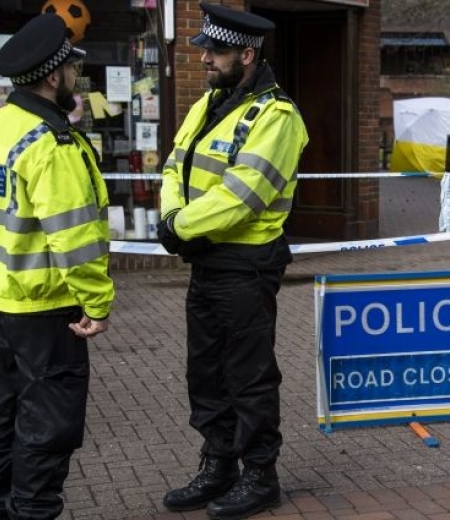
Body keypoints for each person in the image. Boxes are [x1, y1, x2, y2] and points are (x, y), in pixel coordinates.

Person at [0, 14, 114, 520]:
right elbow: (75, 239)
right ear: (53, 75)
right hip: (46, 309)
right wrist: (97, 303)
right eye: (71, 70)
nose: (75, 78)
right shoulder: (50, 144)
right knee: (47, 425)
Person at [157, 2, 308, 518]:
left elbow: (244, 196)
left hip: (246, 265)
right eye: (205, 49)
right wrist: (174, 217)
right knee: (206, 372)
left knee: (249, 375)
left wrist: (179, 227)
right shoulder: (210, 102)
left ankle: (261, 475)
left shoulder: (276, 116)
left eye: (216, 51)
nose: (205, 59)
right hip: (207, 261)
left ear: (246, 54)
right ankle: (218, 465)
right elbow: (174, 165)